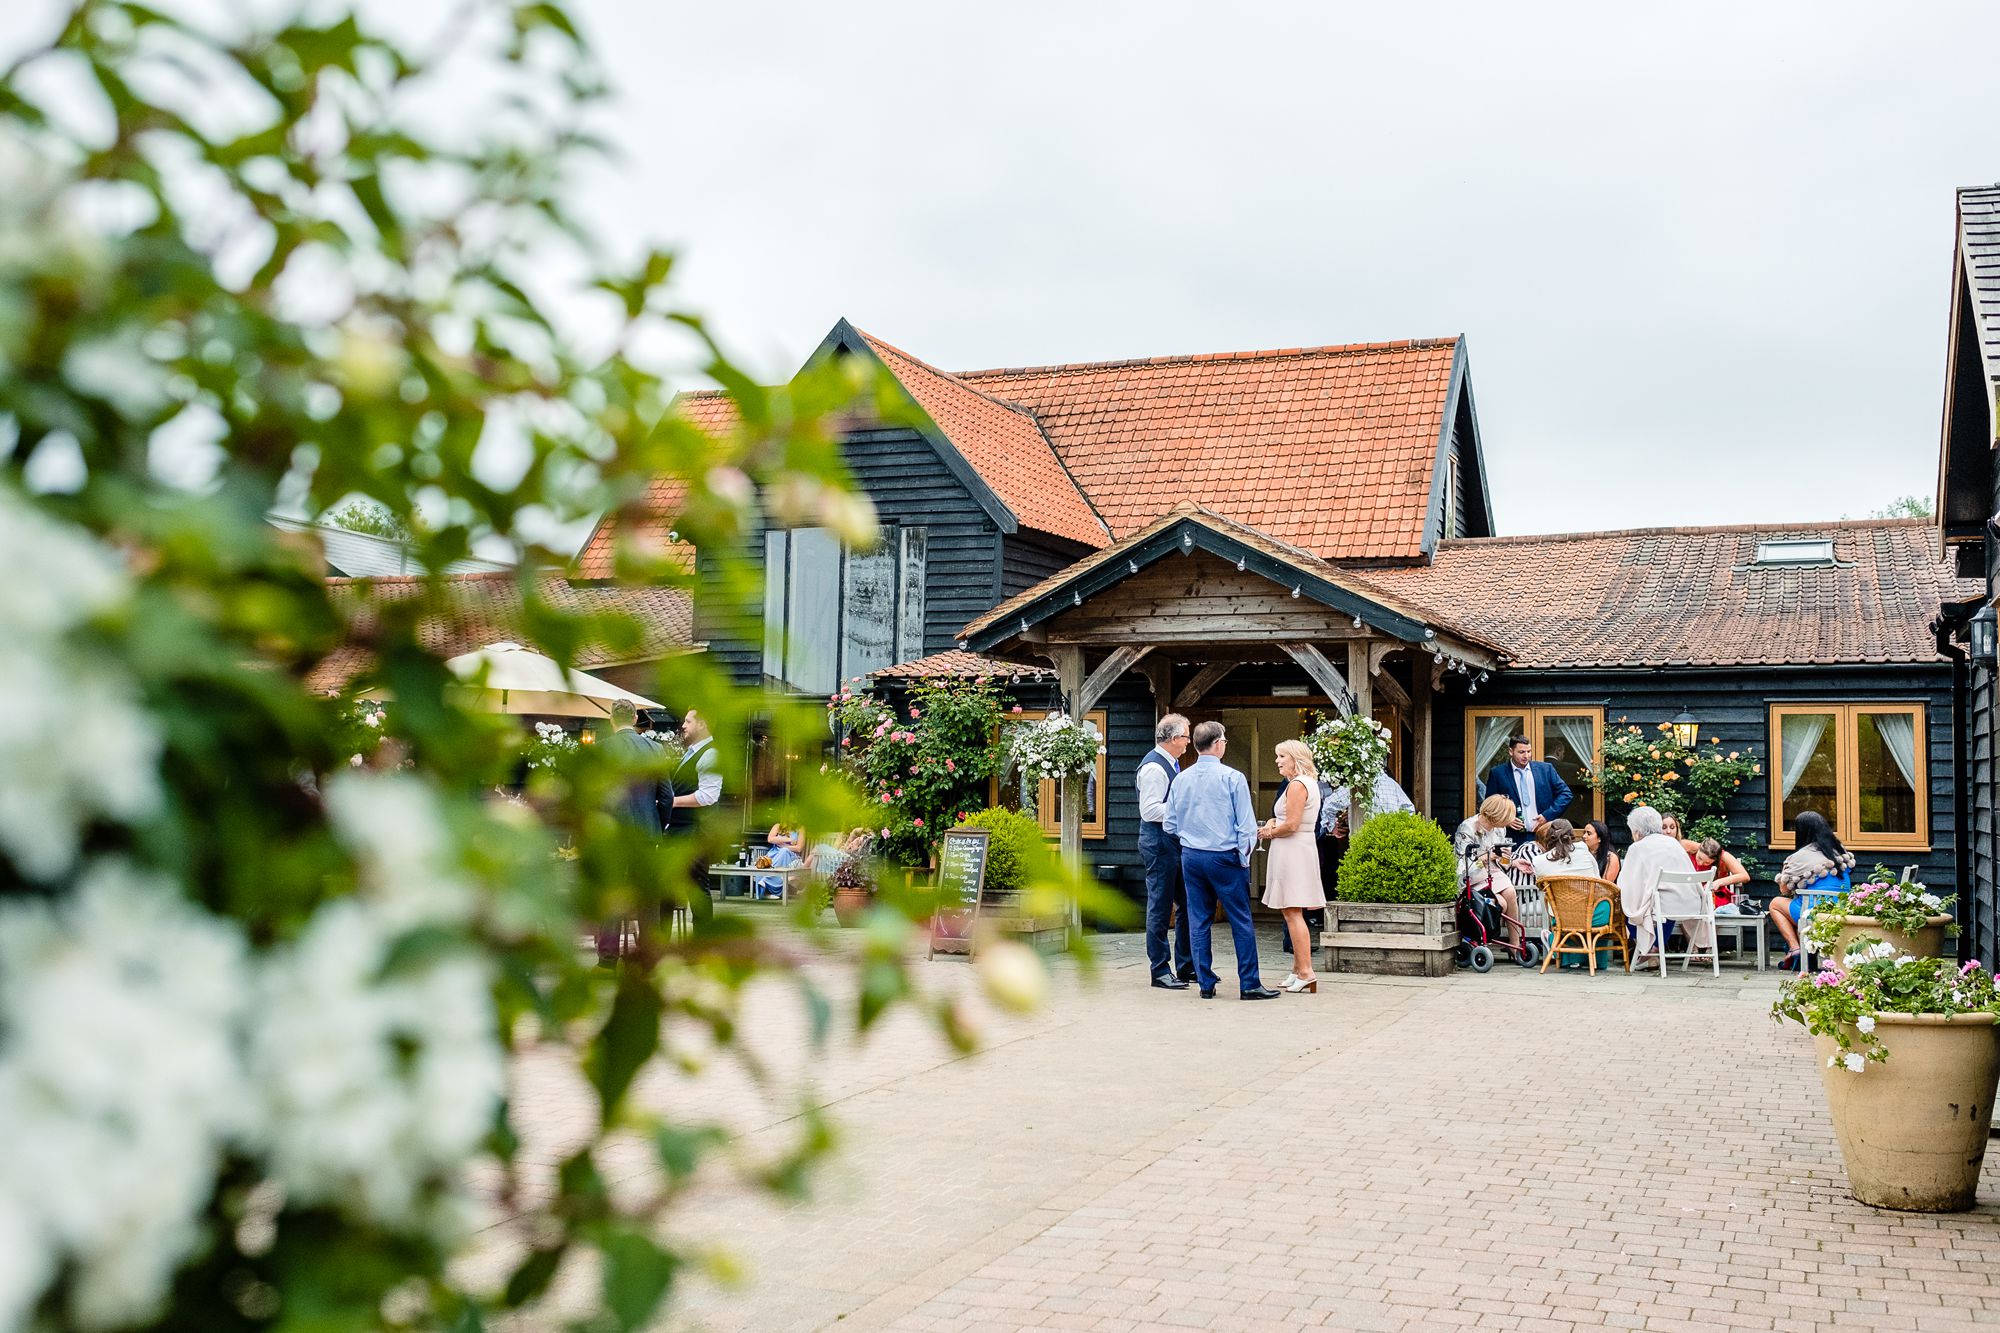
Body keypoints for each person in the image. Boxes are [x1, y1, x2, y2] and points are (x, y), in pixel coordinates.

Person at [1163, 721, 1279, 1000]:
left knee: (1198, 919)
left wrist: (1189, 839)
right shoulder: (1232, 777)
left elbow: (1169, 824)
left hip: (1191, 856)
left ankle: (1205, 983)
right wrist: (1243, 857)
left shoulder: (1181, 779)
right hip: (1225, 856)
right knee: (1240, 919)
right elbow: (1246, 825)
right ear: (1217, 744)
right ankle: (1249, 983)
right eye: (1224, 741)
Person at [597, 699, 663, 963]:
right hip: (647, 834)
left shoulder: (601, 750)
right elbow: (666, 795)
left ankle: (608, 959)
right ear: (635, 718)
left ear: (612, 720)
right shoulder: (655, 749)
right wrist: (658, 823)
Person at [1258, 739, 1324, 994]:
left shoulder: (1297, 785)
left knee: (1293, 911)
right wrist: (1276, 820)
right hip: (1297, 848)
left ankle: (1306, 971)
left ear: (1295, 759)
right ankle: (1298, 969)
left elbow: (1293, 824)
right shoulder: (1307, 783)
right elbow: (1289, 817)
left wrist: (1268, 832)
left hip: (1293, 849)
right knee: (1292, 910)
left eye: (1282, 756)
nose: (1277, 761)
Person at [1136, 713, 1195, 989]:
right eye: (1185, 737)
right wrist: (1183, 811)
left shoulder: (1171, 763)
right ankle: (1159, 969)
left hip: (1172, 842)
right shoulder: (1154, 768)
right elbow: (1149, 810)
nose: (1188, 742)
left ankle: (1186, 966)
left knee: (1186, 904)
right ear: (1173, 739)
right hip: (1158, 843)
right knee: (1160, 907)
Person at [1618, 806, 1709, 962]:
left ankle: (1648, 950)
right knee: (1667, 899)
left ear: (1637, 831)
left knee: (1625, 906)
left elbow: (1626, 882)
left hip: (1663, 905)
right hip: (1692, 904)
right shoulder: (1674, 844)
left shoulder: (1637, 847)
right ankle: (1655, 949)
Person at [1768, 810, 1856, 967]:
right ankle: (1805, 955)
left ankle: (1795, 949)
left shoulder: (1800, 857)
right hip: (1840, 911)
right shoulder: (1838, 850)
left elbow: (1784, 891)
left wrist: (1784, 869)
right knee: (1799, 905)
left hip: (1814, 913)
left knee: (1776, 904)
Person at [1454, 795, 1524, 951]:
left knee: (1511, 893)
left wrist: (1508, 860)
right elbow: (1463, 863)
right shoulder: (1468, 828)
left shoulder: (1500, 829)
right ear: (1496, 816)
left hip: (1492, 871)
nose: (1508, 822)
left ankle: (1515, 945)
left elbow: (1501, 863)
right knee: (1502, 903)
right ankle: (1483, 937)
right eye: (1506, 818)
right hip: (1472, 874)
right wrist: (1488, 856)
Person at [1482, 735, 1573, 846]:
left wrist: (1547, 815)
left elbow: (1566, 794)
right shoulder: (1497, 773)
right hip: (1512, 838)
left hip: (1544, 835)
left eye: (1529, 751)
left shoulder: (1545, 769)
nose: (1526, 756)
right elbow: (1490, 805)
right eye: (1521, 752)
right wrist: (1506, 819)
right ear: (1511, 751)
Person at [1527, 818, 1598, 880]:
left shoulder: (1538, 861)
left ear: (1549, 836)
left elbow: (1541, 888)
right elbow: (1597, 879)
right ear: (1571, 835)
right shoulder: (1583, 850)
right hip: (1587, 895)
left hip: (1556, 895)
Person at [1694, 838, 1751, 913]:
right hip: (1693, 895)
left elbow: (1745, 876)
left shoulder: (1723, 856)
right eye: (1699, 858)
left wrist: (1718, 882)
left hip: (1714, 895)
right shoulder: (1690, 850)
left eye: (1707, 863)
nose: (1700, 863)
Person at [754, 822, 805, 900]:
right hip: (774, 854)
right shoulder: (778, 826)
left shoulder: (800, 828)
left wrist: (784, 846)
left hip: (791, 856)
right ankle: (766, 891)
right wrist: (789, 839)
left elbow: (799, 848)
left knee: (784, 852)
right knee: (764, 861)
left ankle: (766, 883)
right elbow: (770, 839)